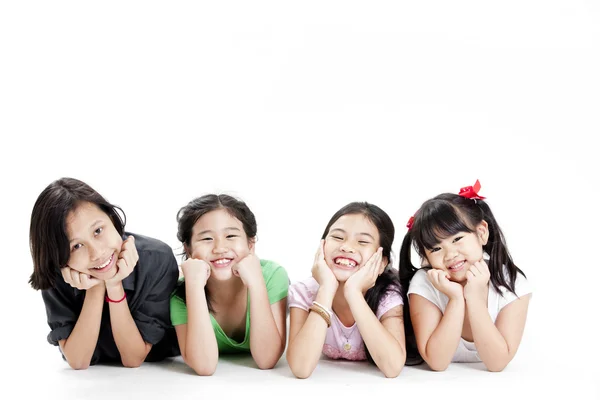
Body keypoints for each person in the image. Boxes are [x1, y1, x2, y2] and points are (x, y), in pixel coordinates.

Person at [29, 177, 180, 369]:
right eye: (76, 246)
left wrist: (114, 285)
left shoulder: (157, 259)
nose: (97, 253)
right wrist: (97, 286)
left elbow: (133, 358)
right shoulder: (57, 273)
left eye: (98, 230)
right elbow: (78, 361)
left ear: (112, 217)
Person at [399, 180, 532, 372]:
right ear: (425, 258)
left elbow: (497, 363)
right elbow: (437, 362)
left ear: (481, 232)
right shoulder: (425, 282)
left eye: (457, 239)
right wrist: (455, 299)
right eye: (436, 248)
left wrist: (475, 298)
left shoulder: (512, 282)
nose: (450, 254)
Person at [170, 194, 289, 375]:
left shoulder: (272, 276)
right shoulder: (180, 293)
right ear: (188, 249)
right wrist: (193, 287)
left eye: (231, 235)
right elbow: (204, 366)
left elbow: (267, 360)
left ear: (251, 243)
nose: (220, 248)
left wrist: (256, 283)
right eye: (206, 239)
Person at [286, 202, 406, 379]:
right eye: (337, 237)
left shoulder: (388, 296)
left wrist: (354, 293)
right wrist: (326, 288)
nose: (347, 247)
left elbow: (392, 367)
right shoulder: (303, 292)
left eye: (363, 241)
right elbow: (300, 368)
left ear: (381, 262)